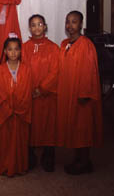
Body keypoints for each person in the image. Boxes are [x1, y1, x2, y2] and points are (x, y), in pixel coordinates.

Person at [57, 10, 102, 175]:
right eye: (67, 21)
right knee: (73, 127)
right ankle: (78, 159)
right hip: (68, 91)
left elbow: (89, 70)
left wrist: (84, 93)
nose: (70, 25)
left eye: (74, 21)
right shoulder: (64, 44)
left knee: (82, 127)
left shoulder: (86, 45)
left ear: (81, 24)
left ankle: (84, 162)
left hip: (81, 93)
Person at [22, 15, 59, 172]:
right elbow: (21, 69)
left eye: (39, 24)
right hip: (29, 94)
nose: (36, 27)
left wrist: (41, 89)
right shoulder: (24, 47)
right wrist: (28, 89)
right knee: (29, 126)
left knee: (48, 126)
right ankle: (29, 156)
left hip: (47, 95)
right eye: (33, 25)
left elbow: (56, 71)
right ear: (29, 28)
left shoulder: (53, 48)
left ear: (45, 27)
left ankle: (48, 155)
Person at [0, 36, 32, 177]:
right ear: (5, 51)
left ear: (21, 51)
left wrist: (18, 107)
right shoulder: (1, 70)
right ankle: (4, 166)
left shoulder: (26, 69)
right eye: (10, 49)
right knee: (5, 140)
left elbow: (26, 91)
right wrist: (9, 108)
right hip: (6, 112)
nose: (13, 53)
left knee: (20, 141)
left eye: (16, 49)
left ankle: (19, 166)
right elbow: (0, 92)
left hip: (20, 111)